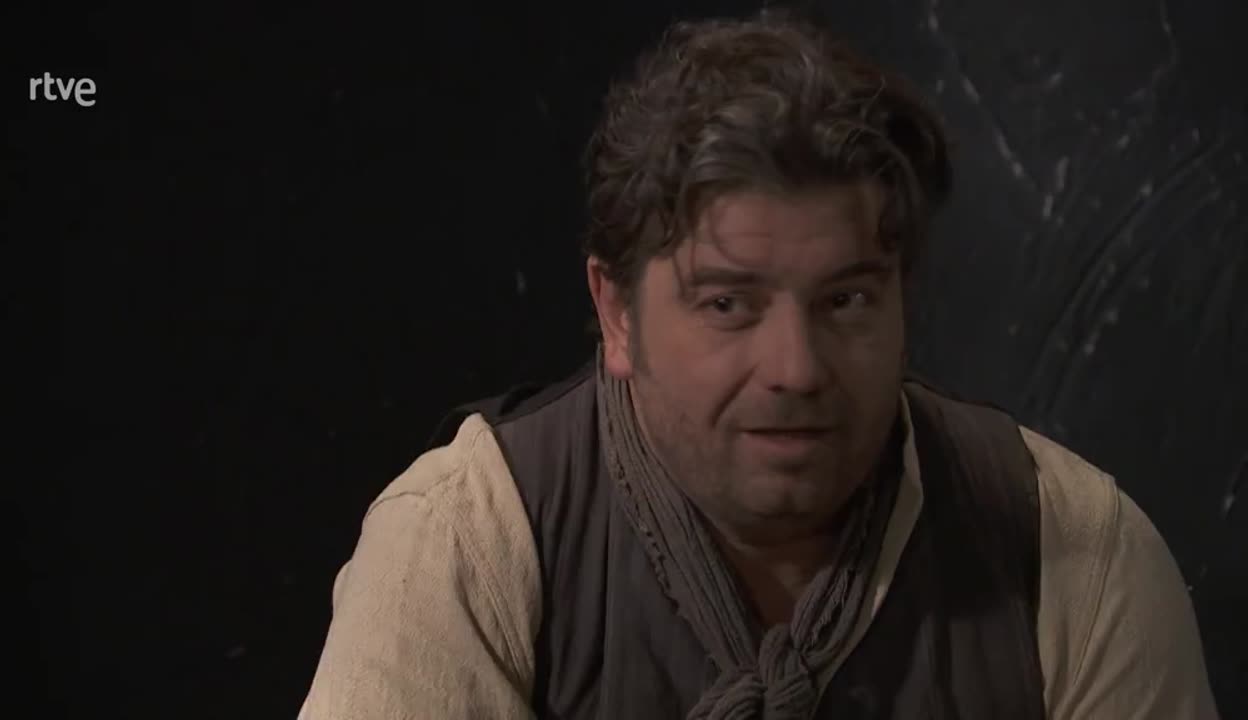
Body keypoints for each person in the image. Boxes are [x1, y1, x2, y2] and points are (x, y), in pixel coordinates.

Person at [298, 11, 1218, 720]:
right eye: (728, 304)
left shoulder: (1073, 550)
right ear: (617, 313)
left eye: (845, 300)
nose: (796, 368)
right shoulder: (466, 546)